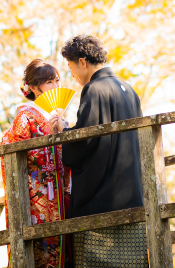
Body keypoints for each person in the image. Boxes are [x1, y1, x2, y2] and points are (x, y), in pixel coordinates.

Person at [48, 35, 147, 268]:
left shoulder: (94, 89)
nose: (71, 74)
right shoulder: (128, 90)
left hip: (103, 199)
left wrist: (63, 131)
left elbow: (85, 142)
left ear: (83, 62)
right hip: (132, 194)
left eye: (71, 67)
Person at [1, 59, 72, 268]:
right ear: (33, 87)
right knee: (41, 250)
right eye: (49, 82)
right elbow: (9, 145)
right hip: (37, 193)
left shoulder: (54, 114)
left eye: (57, 80)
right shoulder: (25, 116)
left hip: (58, 189)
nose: (56, 86)